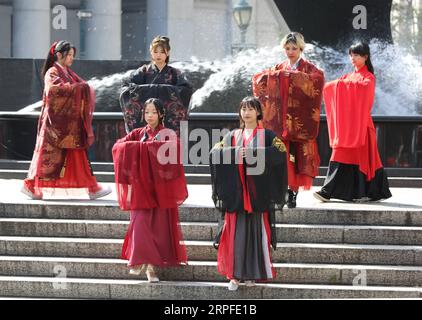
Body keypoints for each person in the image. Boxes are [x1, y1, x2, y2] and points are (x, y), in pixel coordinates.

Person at [209, 97, 287, 291]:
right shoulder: (232, 136)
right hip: (236, 194)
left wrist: (255, 152)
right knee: (234, 234)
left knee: (256, 234)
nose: (247, 112)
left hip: (257, 194)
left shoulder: (268, 135)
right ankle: (234, 275)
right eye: (243, 108)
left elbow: (280, 152)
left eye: (251, 109)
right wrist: (236, 152)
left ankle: (253, 273)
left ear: (259, 113)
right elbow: (214, 153)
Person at [22, 40, 111, 200]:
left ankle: (92, 187)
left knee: (78, 155)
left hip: (68, 125)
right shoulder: (52, 72)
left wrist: (82, 87)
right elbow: (55, 91)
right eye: (68, 55)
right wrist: (81, 88)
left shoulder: (67, 72)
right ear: (58, 55)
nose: (71, 58)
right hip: (53, 124)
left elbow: (78, 85)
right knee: (47, 157)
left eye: (72, 55)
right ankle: (31, 186)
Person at [112, 98, 188, 282]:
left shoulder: (167, 134)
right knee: (140, 224)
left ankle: (151, 268)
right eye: (147, 112)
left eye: (154, 112)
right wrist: (142, 148)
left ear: (161, 114)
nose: (150, 116)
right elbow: (117, 147)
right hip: (140, 191)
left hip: (159, 191)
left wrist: (143, 149)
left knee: (158, 229)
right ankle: (139, 261)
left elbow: (175, 149)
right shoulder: (138, 134)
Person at [253, 32, 325, 208]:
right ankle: (282, 190)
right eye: (287, 48)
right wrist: (278, 76)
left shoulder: (309, 69)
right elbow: (260, 80)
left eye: (294, 48)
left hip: (298, 123)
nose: (290, 51)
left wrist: (292, 78)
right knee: (282, 157)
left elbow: (318, 80)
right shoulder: (279, 67)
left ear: (300, 49)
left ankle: (293, 192)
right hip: (280, 122)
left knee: (297, 157)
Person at [314, 42, 392, 202]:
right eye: (351, 55)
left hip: (361, 126)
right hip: (349, 127)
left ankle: (327, 191)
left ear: (366, 57)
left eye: (357, 55)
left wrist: (340, 85)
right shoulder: (348, 77)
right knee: (343, 155)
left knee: (355, 158)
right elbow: (331, 88)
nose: (353, 58)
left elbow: (363, 92)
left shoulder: (368, 77)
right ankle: (331, 191)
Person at [120, 35, 192, 135]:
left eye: (162, 52)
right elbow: (126, 87)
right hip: (147, 119)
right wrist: (163, 91)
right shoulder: (143, 72)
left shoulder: (175, 74)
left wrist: (155, 90)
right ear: (151, 52)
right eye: (155, 52)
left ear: (168, 53)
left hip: (168, 121)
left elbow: (186, 91)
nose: (158, 55)